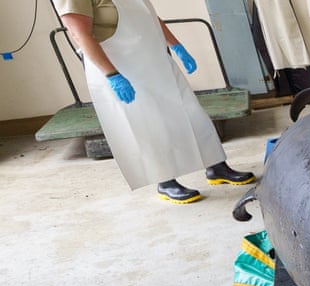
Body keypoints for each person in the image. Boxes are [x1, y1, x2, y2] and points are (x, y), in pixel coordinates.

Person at [55, 0, 255, 204]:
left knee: (190, 112)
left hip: (153, 58)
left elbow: (146, 15)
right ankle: (165, 181)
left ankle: (216, 166)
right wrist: (112, 75)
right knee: (148, 124)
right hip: (120, 66)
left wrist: (175, 45)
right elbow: (80, 34)